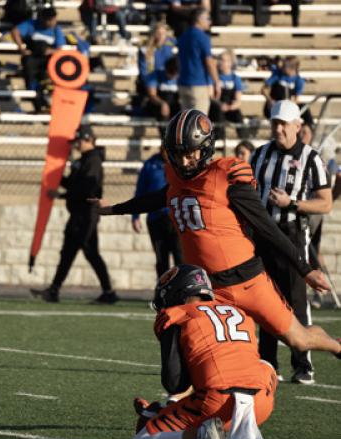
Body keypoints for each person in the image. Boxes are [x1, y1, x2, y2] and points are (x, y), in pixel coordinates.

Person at [91, 109, 341, 362]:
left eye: (190, 154)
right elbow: (154, 199)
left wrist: (305, 270)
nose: (185, 162)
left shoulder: (226, 177)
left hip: (249, 280)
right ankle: (177, 398)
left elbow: (267, 227)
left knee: (298, 340)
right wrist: (113, 209)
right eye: (179, 155)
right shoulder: (176, 183)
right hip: (208, 288)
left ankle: (337, 346)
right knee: (195, 343)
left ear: (205, 147)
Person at [129, 264, 277, 439]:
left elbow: (174, 383)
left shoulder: (177, 316)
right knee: (265, 365)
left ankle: (200, 434)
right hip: (261, 403)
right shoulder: (238, 312)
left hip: (216, 403)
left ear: (178, 294)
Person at [250, 100, 332, 384]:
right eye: (275, 122)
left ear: (298, 125)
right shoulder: (259, 155)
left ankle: (303, 365)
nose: (279, 128)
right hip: (262, 237)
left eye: (284, 123)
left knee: (296, 302)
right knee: (264, 300)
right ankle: (268, 364)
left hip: (293, 234)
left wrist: (292, 202)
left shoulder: (312, 158)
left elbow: (326, 204)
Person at [32, 125, 118, 304]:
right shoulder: (84, 159)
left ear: (88, 139)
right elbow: (73, 183)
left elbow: (86, 189)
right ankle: (106, 292)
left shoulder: (93, 160)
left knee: (75, 251)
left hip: (86, 214)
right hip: (80, 213)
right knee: (84, 253)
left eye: (78, 141)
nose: (76, 145)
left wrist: (62, 194)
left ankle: (55, 290)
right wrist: (55, 175)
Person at [132, 150, 183, 278]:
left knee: (181, 258)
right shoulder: (150, 164)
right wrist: (135, 216)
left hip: (177, 219)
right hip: (156, 219)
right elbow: (140, 191)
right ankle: (163, 292)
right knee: (161, 260)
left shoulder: (181, 162)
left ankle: (184, 291)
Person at [11, 6, 65, 112]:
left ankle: (46, 105)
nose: (52, 22)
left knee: (46, 80)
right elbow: (15, 31)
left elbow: (60, 49)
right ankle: (39, 105)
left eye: (53, 20)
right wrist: (21, 48)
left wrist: (50, 51)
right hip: (32, 60)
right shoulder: (32, 24)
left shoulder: (56, 29)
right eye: (49, 20)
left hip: (46, 62)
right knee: (30, 77)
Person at [176, 7, 220, 114]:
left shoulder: (183, 36)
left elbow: (178, 60)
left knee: (186, 121)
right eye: (208, 18)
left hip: (183, 82)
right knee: (198, 122)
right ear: (199, 19)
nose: (210, 22)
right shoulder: (202, 37)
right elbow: (209, 62)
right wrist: (216, 82)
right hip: (198, 84)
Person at [261, 56, 312, 126]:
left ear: (292, 68)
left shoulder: (298, 80)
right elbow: (263, 89)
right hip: (275, 106)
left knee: (304, 109)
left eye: (284, 65)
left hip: (288, 108)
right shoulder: (277, 75)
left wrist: (290, 105)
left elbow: (296, 98)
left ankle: (309, 129)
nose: (281, 67)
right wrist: (270, 100)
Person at [209, 49, 246, 139]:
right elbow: (210, 96)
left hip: (229, 107)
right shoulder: (214, 76)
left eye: (223, 60)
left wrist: (230, 107)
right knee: (218, 112)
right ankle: (219, 140)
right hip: (216, 106)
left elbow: (238, 100)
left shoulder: (235, 78)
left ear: (230, 63)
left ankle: (244, 140)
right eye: (220, 59)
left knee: (238, 115)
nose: (220, 62)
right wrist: (220, 104)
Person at [143, 56, 180, 122]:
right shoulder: (155, 75)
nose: (172, 76)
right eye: (170, 72)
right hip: (159, 104)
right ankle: (165, 131)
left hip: (175, 105)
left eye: (175, 73)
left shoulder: (182, 78)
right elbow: (152, 95)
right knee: (162, 110)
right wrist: (162, 103)